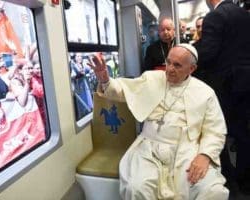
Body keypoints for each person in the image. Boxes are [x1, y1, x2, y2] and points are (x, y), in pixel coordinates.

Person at [89, 44, 229, 199]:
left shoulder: (206, 93)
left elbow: (215, 131)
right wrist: (105, 80)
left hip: (187, 151)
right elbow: (122, 91)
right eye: (168, 62)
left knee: (212, 191)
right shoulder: (152, 78)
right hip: (149, 147)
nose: (169, 69)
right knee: (137, 188)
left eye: (177, 65)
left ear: (191, 69)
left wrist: (205, 155)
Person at [197, 0, 250, 194]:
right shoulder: (245, 15)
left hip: (225, 88)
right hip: (246, 85)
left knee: (218, 134)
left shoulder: (215, 17)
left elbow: (208, 54)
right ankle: (246, 181)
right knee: (244, 135)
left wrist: (192, 57)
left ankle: (229, 182)